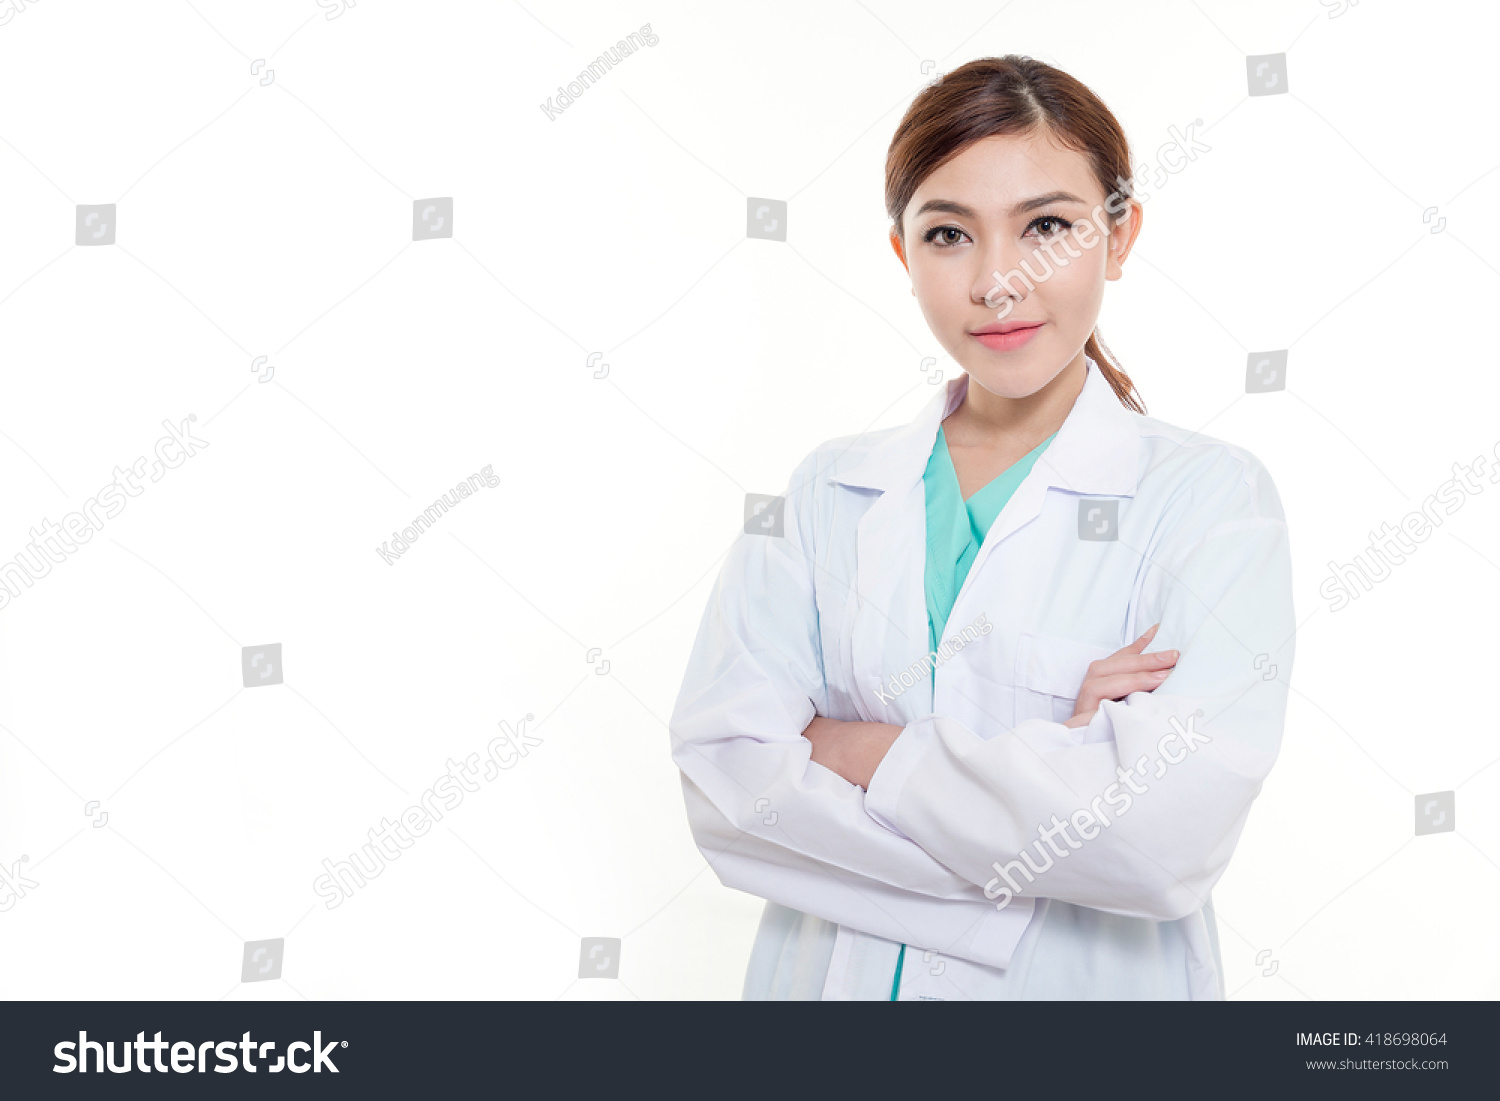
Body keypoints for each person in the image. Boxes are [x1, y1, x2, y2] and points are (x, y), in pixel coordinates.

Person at [669, 55, 1294, 1000]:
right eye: (950, 233)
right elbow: (728, 787)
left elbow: (1160, 841)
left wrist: (847, 745)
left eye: (1047, 225)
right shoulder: (827, 492)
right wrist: (1057, 768)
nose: (1000, 281)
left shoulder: (1209, 503)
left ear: (1119, 235)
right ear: (902, 255)